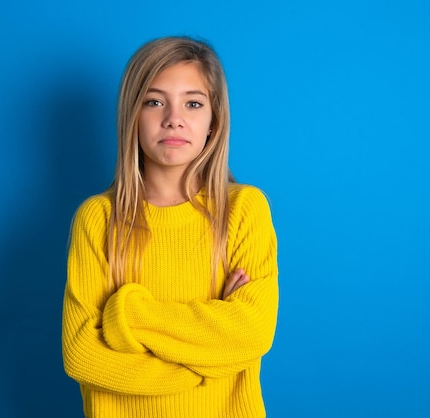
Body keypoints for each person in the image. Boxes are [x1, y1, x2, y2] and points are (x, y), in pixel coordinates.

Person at [62, 36, 279, 418]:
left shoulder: (244, 210)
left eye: (193, 103)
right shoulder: (97, 220)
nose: (173, 118)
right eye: (154, 101)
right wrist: (205, 361)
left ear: (214, 121)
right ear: (133, 114)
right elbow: (81, 356)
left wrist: (127, 314)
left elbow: (252, 333)